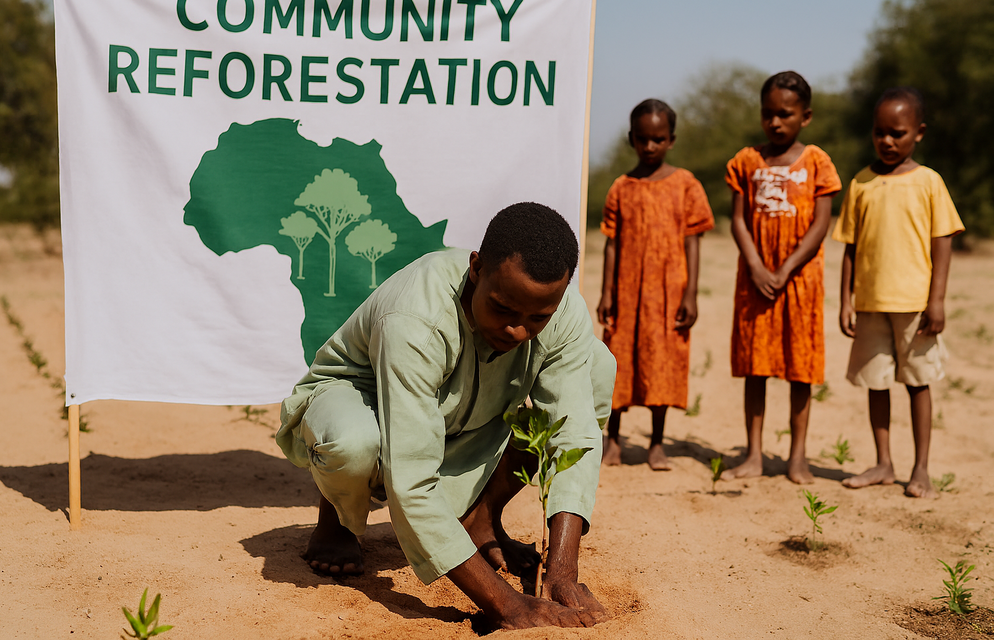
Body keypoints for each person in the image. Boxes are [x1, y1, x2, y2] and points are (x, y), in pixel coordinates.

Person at [275, 202, 615, 630]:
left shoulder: (561, 312)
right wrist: (507, 605)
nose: (518, 331)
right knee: (352, 442)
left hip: (465, 411)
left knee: (596, 367)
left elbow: (574, 433)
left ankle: (481, 518)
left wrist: (563, 573)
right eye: (504, 309)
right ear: (476, 268)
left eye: (537, 318)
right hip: (368, 399)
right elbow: (411, 477)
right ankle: (338, 520)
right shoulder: (416, 317)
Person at [833, 87, 963, 499]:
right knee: (877, 384)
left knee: (918, 384)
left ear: (919, 133)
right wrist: (845, 300)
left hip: (915, 306)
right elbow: (850, 248)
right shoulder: (861, 183)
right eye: (879, 133)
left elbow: (943, 240)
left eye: (898, 133)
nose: (887, 141)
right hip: (871, 303)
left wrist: (937, 300)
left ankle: (920, 468)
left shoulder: (929, 182)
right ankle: (883, 462)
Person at [720, 71, 842, 485]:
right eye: (768, 114)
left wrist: (786, 268)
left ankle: (797, 457)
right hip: (755, 280)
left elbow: (821, 223)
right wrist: (756, 265)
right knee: (756, 367)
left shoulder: (818, 162)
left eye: (785, 114)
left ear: (805, 116)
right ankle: (753, 454)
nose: (775, 122)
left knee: (799, 369)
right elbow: (738, 219)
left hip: (800, 282)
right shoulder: (746, 161)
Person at [597, 99, 714, 469]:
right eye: (643, 139)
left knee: (662, 363)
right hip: (627, 293)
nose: (650, 146)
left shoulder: (686, 185)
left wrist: (691, 293)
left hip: (668, 293)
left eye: (658, 139)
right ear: (632, 138)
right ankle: (612, 439)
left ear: (671, 140)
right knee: (620, 361)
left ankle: (657, 444)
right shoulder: (621, 187)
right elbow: (611, 244)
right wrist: (606, 292)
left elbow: (694, 240)